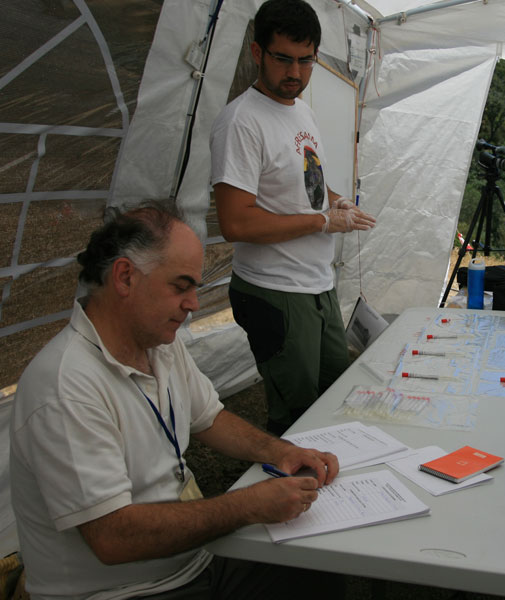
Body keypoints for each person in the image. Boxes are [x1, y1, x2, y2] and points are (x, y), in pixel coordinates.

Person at [10, 203, 340, 599]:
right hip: (125, 591)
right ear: (125, 276)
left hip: (192, 560)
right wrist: (245, 506)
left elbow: (209, 418)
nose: (194, 304)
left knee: (316, 565)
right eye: (180, 286)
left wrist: (280, 450)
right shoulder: (65, 386)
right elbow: (112, 537)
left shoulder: (157, 343)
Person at [210, 0, 376, 435]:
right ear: (257, 53)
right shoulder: (242, 122)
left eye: (306, 61)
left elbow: (308, 188)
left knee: (335, 395)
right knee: (296, 419)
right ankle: (284, 492)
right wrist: (322, 223)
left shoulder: (300, 108)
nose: (295, 73)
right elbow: (236, 223)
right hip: (275, 291)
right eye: (283, 59)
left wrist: (337, 203)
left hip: (316, 285)